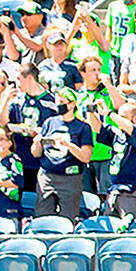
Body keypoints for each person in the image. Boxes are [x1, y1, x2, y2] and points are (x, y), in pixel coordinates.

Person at [31, 86, 93, 220]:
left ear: (72, 104)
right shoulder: (49, 122)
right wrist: (37, 142)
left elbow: (86, 156)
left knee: (68, 218)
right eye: (57, 102)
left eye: (62, 102)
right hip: (47, 176)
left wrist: (67, 144)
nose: (59, 106)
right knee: (43, 217)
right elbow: (36, 153)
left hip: (70, 178)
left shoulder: (83, 127)